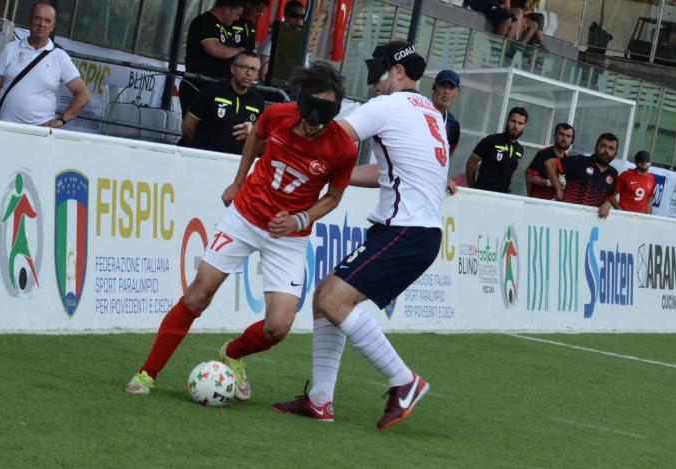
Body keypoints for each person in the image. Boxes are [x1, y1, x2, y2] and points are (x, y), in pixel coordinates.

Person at [126, 62, 358, 400]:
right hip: (245, 216)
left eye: (319, 122)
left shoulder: (344, 148)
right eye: (307, 120)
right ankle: (147, 373)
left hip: (289, 236)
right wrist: (238, 182)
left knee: (278, 327)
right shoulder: (277, 114)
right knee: (198, 295)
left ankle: (233, 353)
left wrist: (301, 220)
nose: (310, 128)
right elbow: (256, 138)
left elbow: (334, 198)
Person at [271, 41, 454, 430]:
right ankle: (320, 401)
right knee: (325, 296)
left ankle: (404, 381)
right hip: (414, 230)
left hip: (407, 229)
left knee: (334, 299)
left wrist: (270, 131)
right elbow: (386, 173)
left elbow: (327, 131)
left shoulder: (388, 106)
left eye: (379, 74)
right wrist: (337, 176)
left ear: (398, 73)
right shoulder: (431, 114)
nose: (374, 84)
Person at [0, 2, 90, 126]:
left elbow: (83, 95)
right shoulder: (10, 49)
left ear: (53, 26)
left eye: (47, 21)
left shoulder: (60, 57)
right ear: (30, 20)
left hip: (39, 134)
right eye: (37, 18)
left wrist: (61, 119)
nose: (42, 24)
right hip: (5, 128)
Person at [181, 51, 264, 155]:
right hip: (204, 158)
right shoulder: (212, 90)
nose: (249, 73)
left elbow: (262, 138)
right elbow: (187, 126)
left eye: (254, 69)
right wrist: (196, 151)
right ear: (232, 69)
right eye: (244, 67)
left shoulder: (258, 100)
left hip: (236, 163)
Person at [180, 0, 246, 114]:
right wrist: (238, 51)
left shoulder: (224, 27)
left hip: (215, 88)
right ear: (226, 9)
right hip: (198, 86)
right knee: (195, 127)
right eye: (237, 14)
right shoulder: (205, 22)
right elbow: (214, 49)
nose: (237, 19)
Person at [544, 133, 619, 210]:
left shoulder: (613, 174)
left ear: (615, 154)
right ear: (595, 147)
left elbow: (609, 195)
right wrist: (559, 189)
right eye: (603, 146)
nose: (606, 151)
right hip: (567, 213)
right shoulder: (580, 161)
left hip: (591, 219)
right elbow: (550, 164)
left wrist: (607, 203)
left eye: (611, 148)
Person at [466, 107, 528, 193]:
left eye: (520, 123)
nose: (516, 126)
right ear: (507, 121)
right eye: (513, 121)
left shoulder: (520, 150)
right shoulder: (491, 140)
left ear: (524, 126)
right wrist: (473, 190)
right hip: (482, 194)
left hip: (502, 197)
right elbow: (470, 164)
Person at [599, 150, 656, 218]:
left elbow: (649, 201)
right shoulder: (625, 175)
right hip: (624, 216)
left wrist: (648, 219)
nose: (644, 163)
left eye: (647, 161)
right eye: (641, 161)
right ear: (635, 162)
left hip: (640, 218)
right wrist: (621, 211)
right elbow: (611, 195)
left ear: (650, 162)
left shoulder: (652, 179)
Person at [258, 0, 306, 81]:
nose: (298, 20)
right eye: (294, 15)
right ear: (286, 15)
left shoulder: (301, 41)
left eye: (302, 16)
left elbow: (305, 69)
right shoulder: (273, 38)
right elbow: (263, 71)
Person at [526, 123, 574, 199]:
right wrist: (550, 182)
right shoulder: (543, 154)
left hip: (555, 203)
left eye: (568, 136)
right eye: (561, 134)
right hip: (538, 201)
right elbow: (530, 177)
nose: (564, 138)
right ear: (554, 136)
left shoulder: (569, 160)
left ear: (572, 140)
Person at [431, 69, 461, 155]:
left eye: (451, 88)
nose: (446, 91)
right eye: (443, 86)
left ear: (457, 91)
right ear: (434, 87)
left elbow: (448, 153)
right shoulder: (418, 110)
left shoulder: (454, 125)